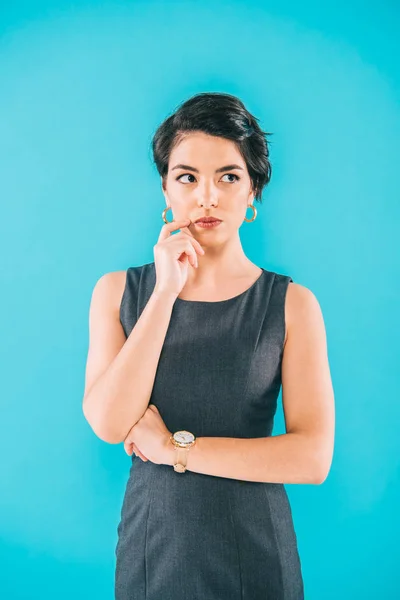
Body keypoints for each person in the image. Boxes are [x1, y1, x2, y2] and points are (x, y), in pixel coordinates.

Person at [82, 92, 335, 599]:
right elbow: (109, 423)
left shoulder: (291, 304)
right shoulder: (118, 292)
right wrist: (166, 291)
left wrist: (176, 448)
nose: (207, 197)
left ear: (253, 192)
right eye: (187, 177)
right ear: (165, 189)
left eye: (229, 176)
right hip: (155, 548)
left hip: (256, 551)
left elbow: (312, 457)